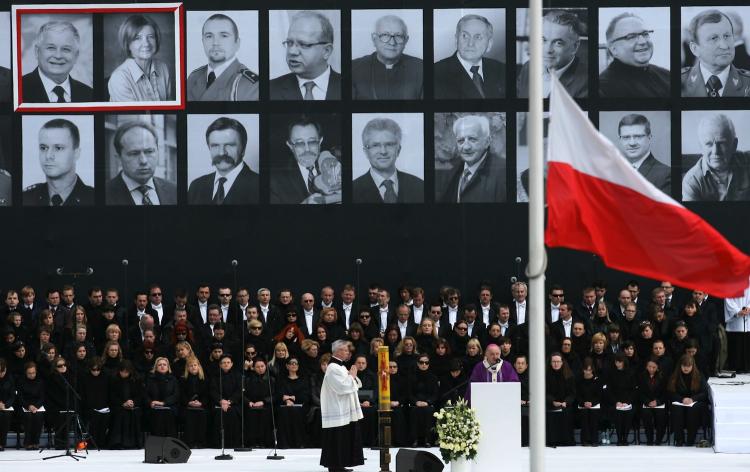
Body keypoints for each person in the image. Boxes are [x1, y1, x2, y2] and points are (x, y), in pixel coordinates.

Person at [270, 11, 341, 100]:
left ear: (326, 51)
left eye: (304, 44)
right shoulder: (270, 90)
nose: (292, 51)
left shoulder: (352, 88)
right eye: (289, 43)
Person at [187, 13, 259, 101]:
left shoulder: (252, 85)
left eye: (224, 36)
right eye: (209, 36)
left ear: (237, 43)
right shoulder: (194, 76)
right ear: (203, 42)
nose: (215, 43)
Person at [188, 117, 259, 205]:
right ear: (209, 148)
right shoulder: (196, 186)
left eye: (229, 145)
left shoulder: (259, 186)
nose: (222, 153)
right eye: (215, 146)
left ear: (243, 149)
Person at [270, 116, 341, 204]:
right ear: (290, 145)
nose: (307, 149)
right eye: (299, 143)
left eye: (312, 142)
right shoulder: (274, 180)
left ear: (320, 141)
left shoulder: (336, 167)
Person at [23, 118, 94, 206]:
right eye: (43, 148)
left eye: (58, 148)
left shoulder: (94, 198)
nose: (48, 156)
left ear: (76, 153)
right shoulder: (25, 198)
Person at [517, 10, 587, 98]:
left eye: (558, 43)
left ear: (575, 47)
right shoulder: (528, 67)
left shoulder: (587, 82)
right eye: (543, 40)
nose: (547, 50)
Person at [437, 114, 506, 203]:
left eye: (472, 139)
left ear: (487, 142)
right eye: (461, 141)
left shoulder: (504, 173)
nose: (466, 147)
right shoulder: (451, 168)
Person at [352, 117, 423, 203]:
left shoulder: (420, 186)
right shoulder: (353, 190)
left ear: (398, 150)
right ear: (366, 152)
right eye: (375, 145)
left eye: (389, 144)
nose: (383, 151)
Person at [434, 14, 505, 99]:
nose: (470, 43)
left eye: (478, 37)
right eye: (465, 36)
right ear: (456, 39)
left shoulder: (502, 70)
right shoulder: (436, 72)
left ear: (489, 44)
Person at [352, 14, 423, 100]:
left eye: (399, 36)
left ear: (406, 41)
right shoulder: (354, 68)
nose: (392, 43)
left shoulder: (421, 68)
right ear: (374, 39)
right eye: (385, 35)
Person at [682, 113, 750, 201]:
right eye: (708, 144)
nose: (715, 152)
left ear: (734, 145)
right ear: (701, 147)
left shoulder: (747, 162)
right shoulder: (692, 182)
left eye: (722, 143)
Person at [106, 121, 177, 205]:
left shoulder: (174, 190)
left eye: (149, 152)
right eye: (134, 153)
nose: (143, 161)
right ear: (118, 158)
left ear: (158, 152)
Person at [599, 13, 670, 97]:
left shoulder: (667, 75)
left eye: (645, 34)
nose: (642, 42)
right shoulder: (603, 88)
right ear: (614, 49)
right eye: (631, 37)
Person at [682, 10, 750, 97]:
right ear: (694, 49)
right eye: (713, 38)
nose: (724, 46)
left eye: (727, 36)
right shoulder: (678, 82)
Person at [319, 340, 364, 472]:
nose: (348, 352)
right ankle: (335, 466)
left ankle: (339, 464)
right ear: (337, 351)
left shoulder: (341, 367)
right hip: (336, 409)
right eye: (345, 350)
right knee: (336, 438)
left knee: (342, 438)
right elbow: (342, 387)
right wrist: (352, 376)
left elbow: (355, 384)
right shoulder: (333, 367)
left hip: (343, 408)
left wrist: (352, 377)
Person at [22, 21, 93, 103]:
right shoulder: (18, 89)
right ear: (37, 51)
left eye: (66, 49)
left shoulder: (89, 94)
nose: (58, 56)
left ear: (76, 56)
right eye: (51, 48)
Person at [108, 14, 173, 101]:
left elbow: (171, 108)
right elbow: (134, 115)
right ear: (128, 44)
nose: (146, 43)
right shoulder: (119, 78)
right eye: (137, 38)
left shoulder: (162, 67)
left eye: (150, 37)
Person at [615, 114, 671, 194]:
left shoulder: (666, 174)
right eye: (626, 137)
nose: (632, 143)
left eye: (638, 136)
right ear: (620, 140)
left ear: (649, 137)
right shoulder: (612, 172)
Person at [667, 354, 708, 446]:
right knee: (676, 409)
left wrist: (692, 399)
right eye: (684, 366)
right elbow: (671, 393)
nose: (686, 368)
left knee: (693, 410)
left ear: (692, 366)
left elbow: (704, 393)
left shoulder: (699, 375)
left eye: (688, 366)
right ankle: (679, 439)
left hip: (695, 403)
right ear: (680, 365)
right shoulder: (675, 376)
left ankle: (691, 439)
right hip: (680, 402)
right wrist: (682, 399)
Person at [108, 360, 144, 449]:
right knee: (120, 414)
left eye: (126, 372)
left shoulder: (137, 379)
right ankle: (118, 443)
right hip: (118, 405)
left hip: (133, 405)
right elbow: (111, 395)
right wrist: (122, 403)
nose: (124, 374)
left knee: (134, 413)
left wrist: (132, 402)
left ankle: (133, 443)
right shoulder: (114, 379)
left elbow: (140, 394)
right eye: (122, 372)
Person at [545, 353, 576, 446]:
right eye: (554, 361)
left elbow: (572, 393)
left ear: (562, 362)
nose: (556, 364)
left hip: (565, 404)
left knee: (567, 413)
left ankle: (566, 440)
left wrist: (566, 402)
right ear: (550, 363)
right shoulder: (545, 376)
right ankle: (551, 441)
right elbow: (544, 392)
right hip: (550, 403)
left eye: (558, 361)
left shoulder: (569, 376)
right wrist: (553, 401)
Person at [145, 356, 179, 437]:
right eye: (160, 365)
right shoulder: (150, 379)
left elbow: (176, 395)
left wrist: (163, 403)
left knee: (168, 413)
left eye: (164, 364)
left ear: (168, 367)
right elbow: (145, 394)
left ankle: (170, 441)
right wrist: (150, 402)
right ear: (156, 367)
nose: (162, 366)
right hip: (153, 407)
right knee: (157, 414)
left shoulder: (173, 379)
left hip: (170, 406)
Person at [179, 355, 208, 448]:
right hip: (187, 406)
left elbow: (207, 394)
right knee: (189, 415)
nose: (193, 367)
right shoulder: (183, 379)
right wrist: (188, 402)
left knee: (203, 415)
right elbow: (181, 394)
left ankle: (201, 442)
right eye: (191, 366)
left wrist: (201, 403)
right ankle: (190, 442)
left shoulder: (204, 379)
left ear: (199, 366)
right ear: (187, 368)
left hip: (202, 406)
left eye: (195, 365)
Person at [638, 357, 668, 445]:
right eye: (649, 367)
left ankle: (659, 440)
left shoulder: (663, 377)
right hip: (646, 403)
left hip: (660, 403)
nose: (651, 369)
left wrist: (657, 402)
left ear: (658, 368)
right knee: (646, 414)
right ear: (646, 367)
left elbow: (666, 393)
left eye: (654, 367)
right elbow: (640, 393)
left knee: (661, 415)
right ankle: (649, 439)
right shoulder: (641, 377)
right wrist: (647, 402)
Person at [576, 358, 602, 446]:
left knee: (593, 415)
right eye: (586, 370)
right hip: (582, 405)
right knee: (584, 414)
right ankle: (585, 440)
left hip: (595, 405)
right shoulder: (579, 380)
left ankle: (594, 439)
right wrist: (584, 403)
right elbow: (577, 395)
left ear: (592, 370)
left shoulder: (597, 380)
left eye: (590, 370)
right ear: (583, 370)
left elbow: (599, 395)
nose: (588, 372)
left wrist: (592, 403)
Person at [18, 361, 45, 449]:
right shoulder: (21, 381)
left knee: (38, 416)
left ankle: (36, 441)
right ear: (26, 373)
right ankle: (28, 441)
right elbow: (20, 397)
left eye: (33, 373)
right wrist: (28, 406)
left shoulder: (40, 381)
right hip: (25, 405)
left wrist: (36, 406)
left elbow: (42, 397)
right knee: (28, 416)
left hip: (37, 406)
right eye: (29, 373)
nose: (32, 375)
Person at [724, 285, 750, 372]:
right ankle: (735, 366)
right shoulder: (731, 282)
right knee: (736, 345)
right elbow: (728, 299)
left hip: (748, 320)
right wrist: (738, 311)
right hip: (735, 323)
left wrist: (748, 308)